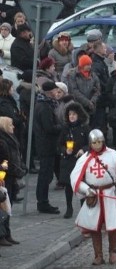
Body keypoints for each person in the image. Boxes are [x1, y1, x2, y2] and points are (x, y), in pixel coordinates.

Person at [70, 129, 116, 265]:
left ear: (103, 141)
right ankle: (98, 255)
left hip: (110, 195)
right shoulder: (85, 158)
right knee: (94, 226)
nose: (97, 145)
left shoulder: (113, 156)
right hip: (94, 196)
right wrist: (87, 190)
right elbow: (76, 178)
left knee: (113, 224)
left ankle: (113, 252)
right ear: (90, 143)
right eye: (94, 142)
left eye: (99, 142)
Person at [33, 81, 62, 214]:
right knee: (45, 175)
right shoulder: (44, 106)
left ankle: (43, 201)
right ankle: (43, 202)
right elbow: (48, 128)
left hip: (47, 144)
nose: (58, 93)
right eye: (56, 90)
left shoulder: (46, 104)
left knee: (46, 174)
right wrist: (62, 127)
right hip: (46, 145)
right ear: (50, 92)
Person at [58, 102, 89, 219]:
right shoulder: (65, 128)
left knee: (82, 184)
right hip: (68, 160)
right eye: (70, 114)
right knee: (68, 185)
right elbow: (60, 144)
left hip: (80, 160)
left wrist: (83, 149)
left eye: (74, 114)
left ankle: (83, 208)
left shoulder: (84, 128)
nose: (71, 116)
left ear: (79, 115)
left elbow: (90, 144)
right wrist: (65, 150)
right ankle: (69, 207)